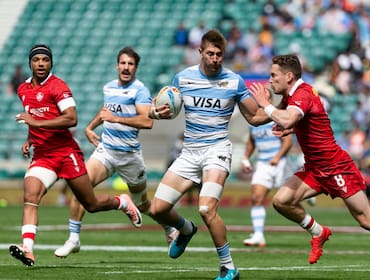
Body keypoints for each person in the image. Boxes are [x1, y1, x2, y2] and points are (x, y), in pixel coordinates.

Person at [249, 54, 370, 280]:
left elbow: (287, 119)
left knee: (366, 219)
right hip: (315, 168)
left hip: (336, 166)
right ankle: (319, 232)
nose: (270, 81)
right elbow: (258, 119)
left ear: (289, 76)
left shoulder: (302, 94)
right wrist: (235, 96)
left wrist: (268, 105)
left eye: (274, 75)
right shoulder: (291, 96)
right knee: (281, 201)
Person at [148, 29, 268, 280]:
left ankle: (228, 267)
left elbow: (255, 116)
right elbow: (159, 107)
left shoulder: (234, 81)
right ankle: (186, 229)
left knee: (206, 208)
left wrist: (281, 113)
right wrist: (155, 113)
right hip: (189, 152)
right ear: (200, 52)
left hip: (217, 151)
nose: (215, 58)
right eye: (210, 53)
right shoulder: (183, 78)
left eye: (219, 55)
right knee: (158, 209)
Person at [10, 44, 142, 267]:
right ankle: (28, 249)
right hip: (43, 156)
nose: (41, 63)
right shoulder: (23, 89)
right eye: (36, 60)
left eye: (45, 60)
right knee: (31, 196)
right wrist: (30, 139)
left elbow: (72, 119)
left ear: (51, 62)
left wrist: (36, 123)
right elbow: (35, 118)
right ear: (30, 63)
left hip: (65, 154)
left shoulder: (58, 86)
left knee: (90, 204)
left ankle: (122, 202)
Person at [54, 46, 177, 258]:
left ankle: (169, 228)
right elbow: (106, 110)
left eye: (130, 64)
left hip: (130, 156)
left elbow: (146, 122)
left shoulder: (140, 90)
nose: (126, 67)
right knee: (80, 186)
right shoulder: (109, 87)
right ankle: (73, 238)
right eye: (123, 63)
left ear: (136, 68)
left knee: (143, 204)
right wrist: (90, 127)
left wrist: (117, 119)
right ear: (117, 65)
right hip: (106, 152)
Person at [241, 111, 293, 248]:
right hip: (263, 164)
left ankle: (307, 196)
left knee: (290, 198)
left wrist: (277, 156)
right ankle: (258, 235)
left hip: (281, 162)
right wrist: (245, 158)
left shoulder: (276, 118)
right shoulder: (253, 121)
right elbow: (251, 141)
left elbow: (287, 141)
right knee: (256, 197)